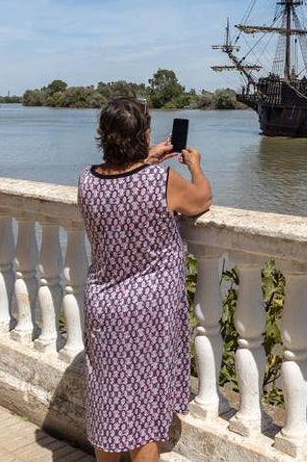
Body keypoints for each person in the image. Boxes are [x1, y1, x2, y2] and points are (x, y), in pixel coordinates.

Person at [77, 97, 212, 462]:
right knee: (146, 419)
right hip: (148, 312)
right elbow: (200, 200)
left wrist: (145, 158)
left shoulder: (87, 180)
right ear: (145, 134)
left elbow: (120, 187)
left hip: (104, 305)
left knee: (109, 404)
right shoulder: (160, 181)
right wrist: (195, 167)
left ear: (104, 136)